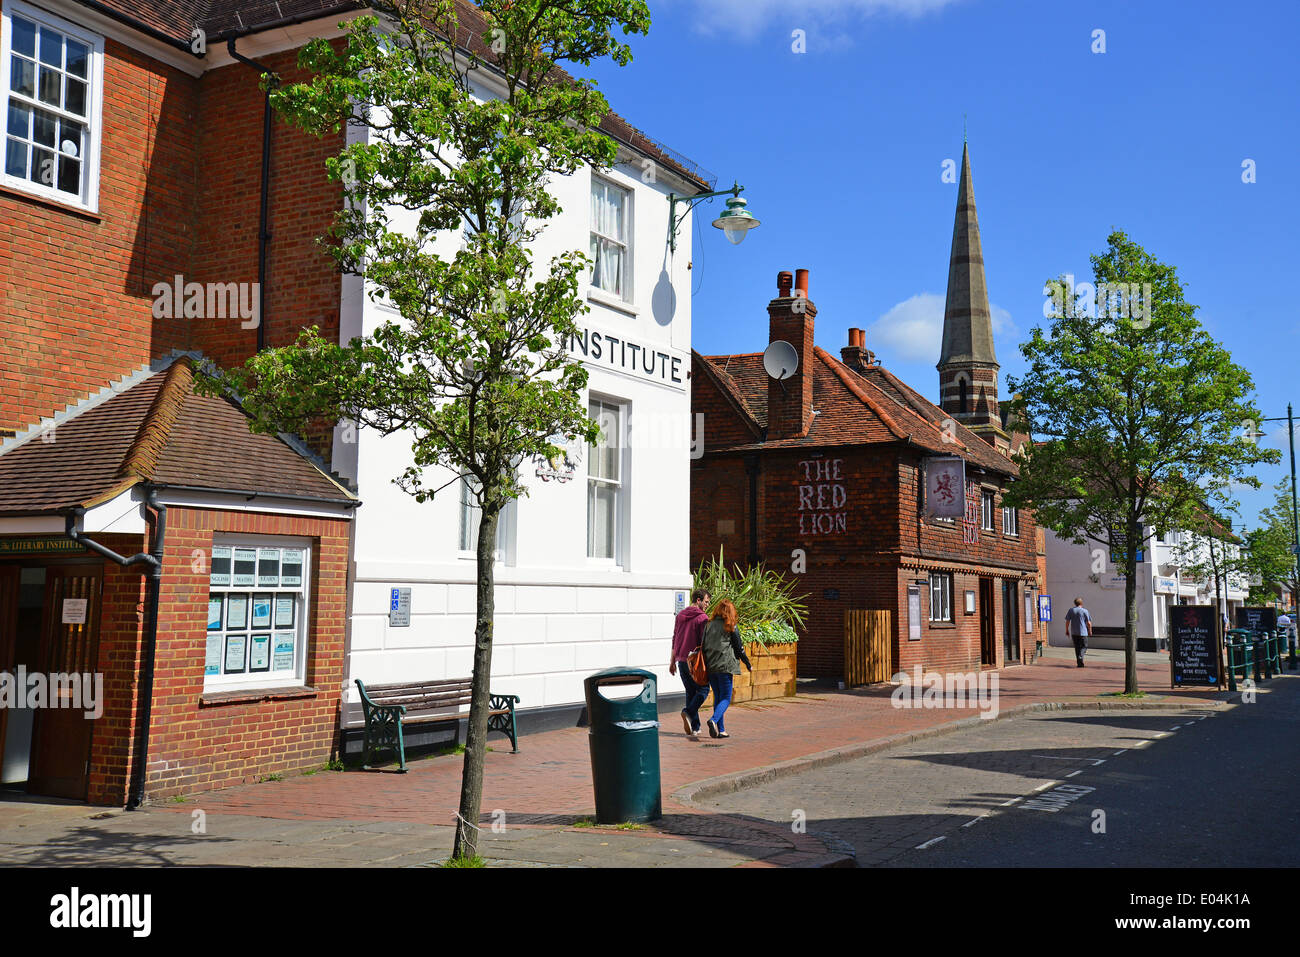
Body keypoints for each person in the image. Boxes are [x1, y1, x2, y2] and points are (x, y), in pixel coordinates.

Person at [700, 598, 752, 739]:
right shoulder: (730, 625)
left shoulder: (709, 625)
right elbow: (739, 647)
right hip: (725, 666)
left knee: (718, 697)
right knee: (726, 698)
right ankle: (713, 720)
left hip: (711, 666)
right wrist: (747, 663)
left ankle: (721, 730)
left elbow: (703, 645)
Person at [669, 589, 710, 737]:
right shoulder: (702, 618)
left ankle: (695, 727)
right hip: (695, 661)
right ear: (698, 600)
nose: (707, 605)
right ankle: (688, 712)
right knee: (704, 689)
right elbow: (704, 642)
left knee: (690, 692)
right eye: (706, 602)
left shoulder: (680, 616)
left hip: (681, 660)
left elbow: (675, 638)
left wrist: (672, 661)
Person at [1064, 597, 1092, 668]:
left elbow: (1067, 621)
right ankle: (1081, 656)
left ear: (1075, 603)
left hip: (1074, 632)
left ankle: (1080, 664)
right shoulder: (1085, 611)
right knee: (1084, 646)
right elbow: (1088, 623)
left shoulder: (1071, 610)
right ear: (1081, 603)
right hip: (1083, 632)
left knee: (1077, 648)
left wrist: (1067, 630)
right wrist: (1090, 630)